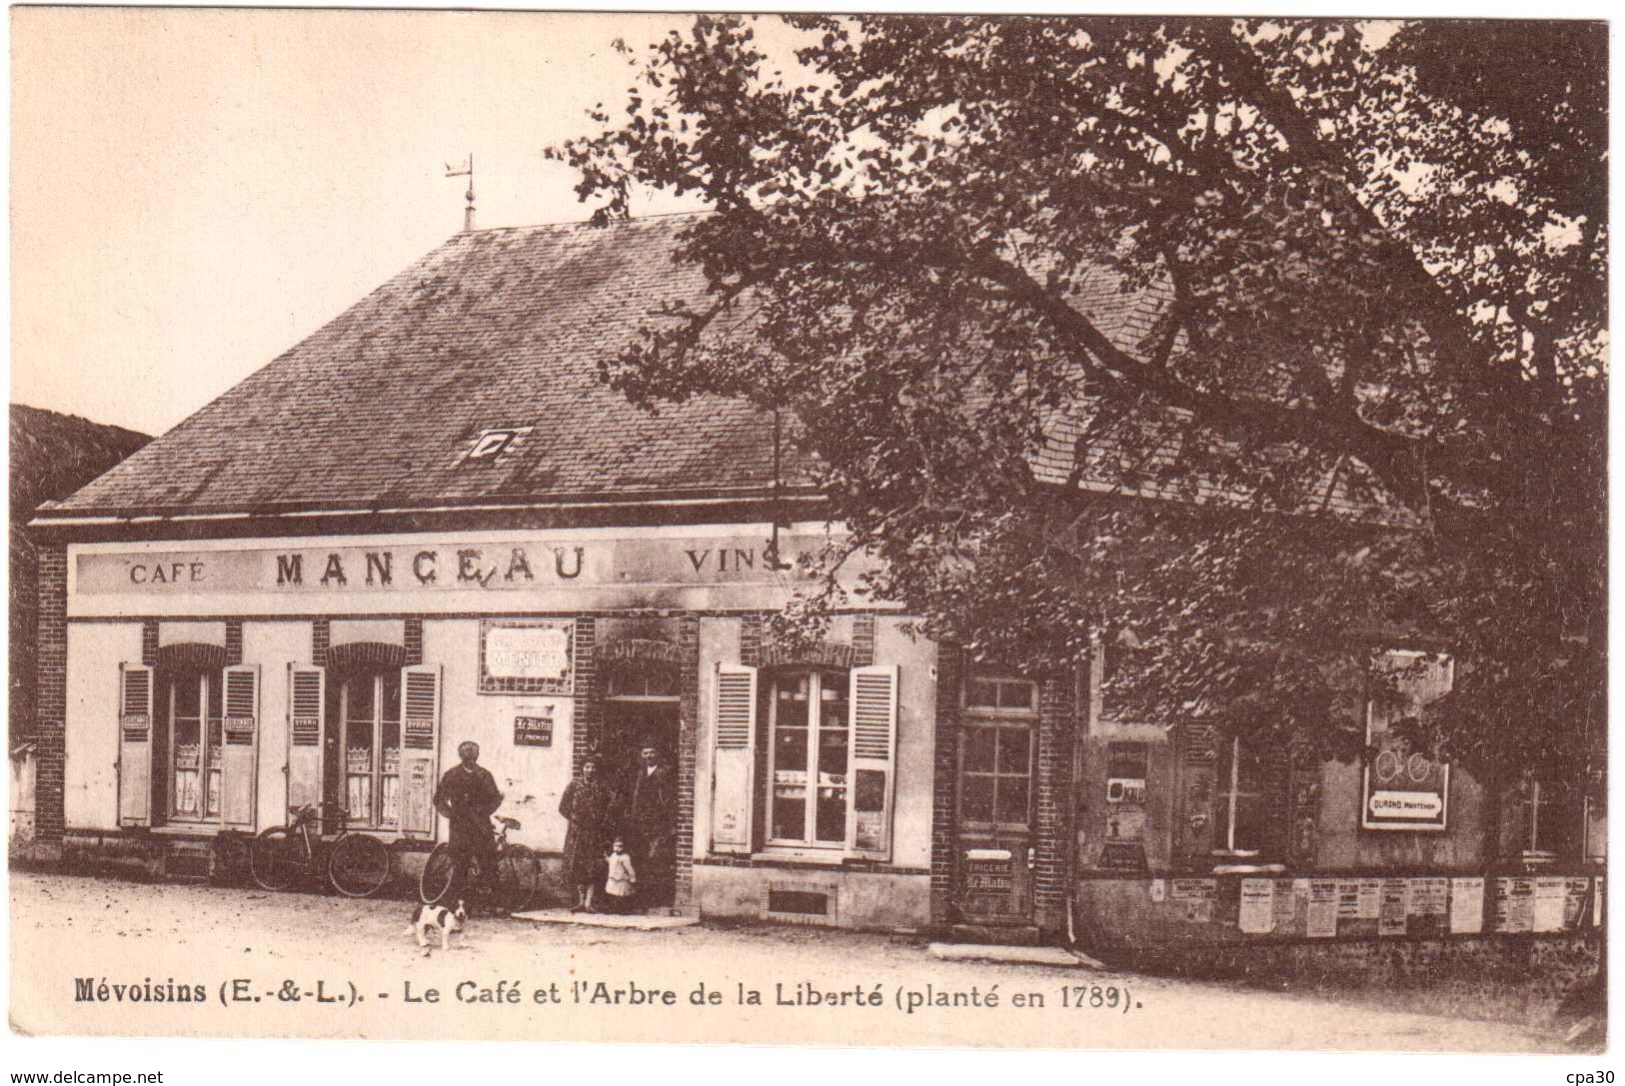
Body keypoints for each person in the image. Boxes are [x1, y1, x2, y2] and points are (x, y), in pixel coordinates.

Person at [432, 740, 503, 910]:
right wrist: (450, 814)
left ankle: (494, 904)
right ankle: (456, 905)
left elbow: (495, 798)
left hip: (481, 827)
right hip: (460, 827)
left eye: (472, 754)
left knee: (489, 864)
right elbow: (439, 799)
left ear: (477, 756)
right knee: (460, 866)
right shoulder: (451, 775)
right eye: (466, 754)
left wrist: (484, 812)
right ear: (461, 756)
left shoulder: (485, 775)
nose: (469, 757)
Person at [623, 739, 675, 911]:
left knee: (656, 861)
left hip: (658, 824)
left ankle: (658, 899)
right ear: (641, 755)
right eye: (645, 753)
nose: (649, 756)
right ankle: (640, 900)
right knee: (640, 861)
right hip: (639, 825)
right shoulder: (638, 774)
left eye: (652, 752)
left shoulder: (666, 772)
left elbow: (669, 799)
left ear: (657, 754)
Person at [558, 755, 614, 912]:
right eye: (587, 767)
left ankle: (589, 902)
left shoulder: (602, 787)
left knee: (593, 866)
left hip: (595, 833)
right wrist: (574, 818)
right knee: (578, 865)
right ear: (582, 768)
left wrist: (602, 821)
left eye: (593, 767)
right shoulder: (574, 785)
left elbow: (611, 805)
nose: (590, 770)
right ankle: (581, 901)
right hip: (577, 833)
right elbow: (563, 806)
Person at [602, 837, 637, 915]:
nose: (617, 848)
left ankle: (622, 910)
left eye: (620, 846)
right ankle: (611, 909)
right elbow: (611, 862)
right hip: (612, 878)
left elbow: (629, 868)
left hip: (621, 879)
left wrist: (632, 879)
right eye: (615, 846)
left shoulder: (625, 857)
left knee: (621, 895)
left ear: (623, 847)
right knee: (611, 893)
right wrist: (606, 857)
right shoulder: (613, 855)